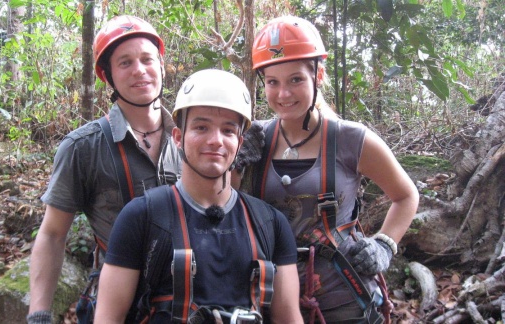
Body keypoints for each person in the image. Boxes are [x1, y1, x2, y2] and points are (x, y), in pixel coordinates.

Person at [236, 16, 420, 323]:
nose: (283, 94)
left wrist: (385, 243)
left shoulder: (350, 139)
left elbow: (406, 195)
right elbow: (224, 206)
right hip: (271, 299)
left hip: (343, 298)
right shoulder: (255, 139)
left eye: (295, 79)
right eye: (273, 82)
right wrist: (235, 166)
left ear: (317, 75)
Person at [94, 69, 303, 323]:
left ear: (239, 142)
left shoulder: (270, 224)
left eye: (227, 131)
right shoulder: (143, 217)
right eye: (201, 127)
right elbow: (108, 318)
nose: (215, 141)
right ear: (179, 138)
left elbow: (289, 317)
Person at [27, 15, 182, 323]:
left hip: (185, 300)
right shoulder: (83, 148)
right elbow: (53, 233)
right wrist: (39, 313)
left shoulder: (190, 136)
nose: (139, 70)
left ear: (161, 65)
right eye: (125, 63)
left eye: (147, 59)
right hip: (116, 305)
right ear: (107, 75)